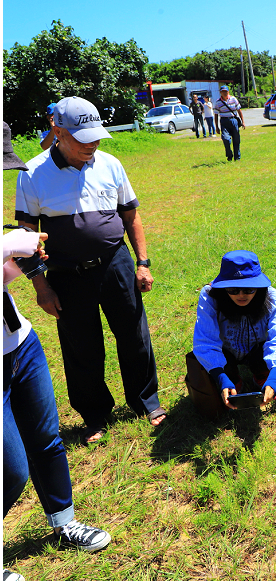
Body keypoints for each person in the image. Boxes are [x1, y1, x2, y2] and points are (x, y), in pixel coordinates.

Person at [14, 96, 165, 445]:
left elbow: (130, 215)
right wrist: (41, 287)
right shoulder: (33, 174)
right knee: (81, 346)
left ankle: (147, 402)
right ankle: (95, 414)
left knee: (134, 335)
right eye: (83, 138)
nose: (92, 144)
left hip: (116, 263)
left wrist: (142, 263)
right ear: (58, 132)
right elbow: (25, 236)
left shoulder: (110, 164)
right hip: (67, 274)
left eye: (96, 135)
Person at [3, 123, 111, 583]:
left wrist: (11, 264)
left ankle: (63, 522)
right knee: (11, 469)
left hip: (18, 342)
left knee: (46, 438)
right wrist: (8, 247)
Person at [190, 251, 276, 412]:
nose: (241, 295)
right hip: (226, 350)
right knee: (225, 370)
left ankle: (263, 375)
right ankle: (232, 380)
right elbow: (205, 340)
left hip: (258, 347)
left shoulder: (271, 296)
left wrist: (274, 378)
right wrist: (221, 377)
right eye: (233, 290)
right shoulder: (210, 296)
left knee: (264, 362)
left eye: (249, 289)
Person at [214, 86, 245, 161]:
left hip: (234, 120)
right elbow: (216, 114)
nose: (224, 93)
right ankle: (229, 155)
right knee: (226, 139)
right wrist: (217, 127)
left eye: (226, 91)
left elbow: (239, 110)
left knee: (236, 139)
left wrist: (243, 122)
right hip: (224, 122)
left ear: (228, 92)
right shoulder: (218, 102)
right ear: (220, 92)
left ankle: (237, 157)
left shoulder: (233, 99)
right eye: (223, 91)